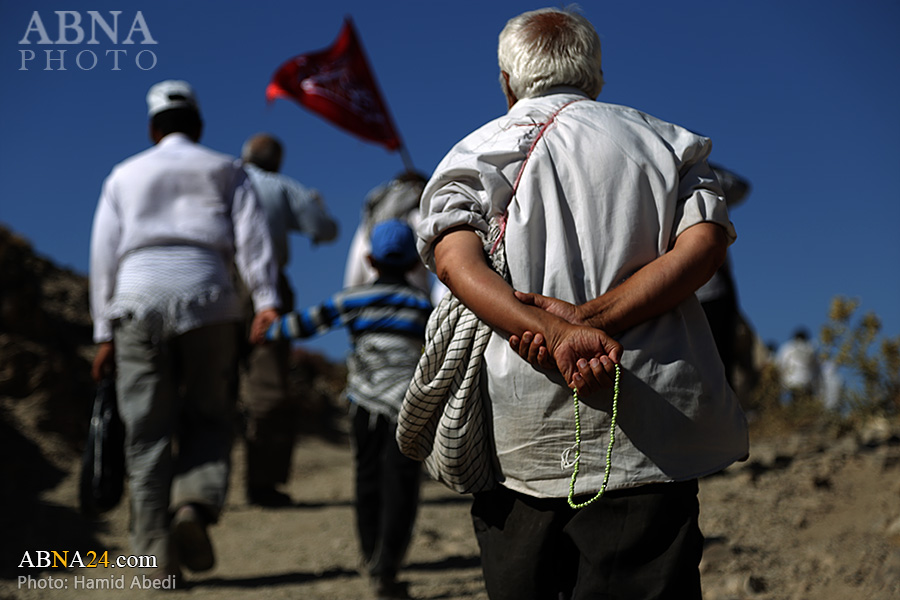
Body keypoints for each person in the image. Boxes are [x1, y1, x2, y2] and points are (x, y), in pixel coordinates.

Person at [415, 8, 749, 599]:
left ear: (507, 82)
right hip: (651, 429)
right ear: (595, 76)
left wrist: (553, 331)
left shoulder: (475, 153)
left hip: (521, 433)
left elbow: (454, 263)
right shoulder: (668, 143)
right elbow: (704, 246)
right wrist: (594, 321)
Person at [89, 80, 280, 585]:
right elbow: (253, 239)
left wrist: (104, 331)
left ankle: (155, 563)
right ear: (198, 126)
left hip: (137, 298)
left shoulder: (123, 175)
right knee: (210, 417)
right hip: (209, 298)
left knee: (146, 434)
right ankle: (193, 505)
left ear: (153, 129)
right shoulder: (226, 168)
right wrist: (265, 301)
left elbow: (104, 255)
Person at [268, 219, 431, 600]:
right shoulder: (422, 305)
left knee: (367, 478)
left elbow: (307, 323)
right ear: (414, 264)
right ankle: (388, 566)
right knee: (402, 485)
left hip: (363, 405)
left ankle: (370, 555)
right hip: (406, 410)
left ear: (370, 260)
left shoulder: (351, 300)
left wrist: (270, 330)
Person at [239, 133, 338, 507]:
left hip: (213, 280)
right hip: (269, 287)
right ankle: (263, 483)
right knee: (268, 383)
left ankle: (193, 491)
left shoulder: (222, 179)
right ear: (277, 161)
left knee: (209, 380)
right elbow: (324, 228)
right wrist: (316, 206)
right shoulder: (281, 187)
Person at [343, 170, 431, 295]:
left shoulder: (369, 223)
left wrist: (350, 298)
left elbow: (354, 272)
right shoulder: (419, 218)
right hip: (412, 298)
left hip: (368, 298)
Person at [776, 327, 821, 405]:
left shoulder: (787, 348)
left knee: (793, 406)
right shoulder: (811, 349)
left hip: (790, 385)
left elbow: (779, 365)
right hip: (807, 384)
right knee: (806, 407)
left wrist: (781, 384)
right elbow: (816, 369)